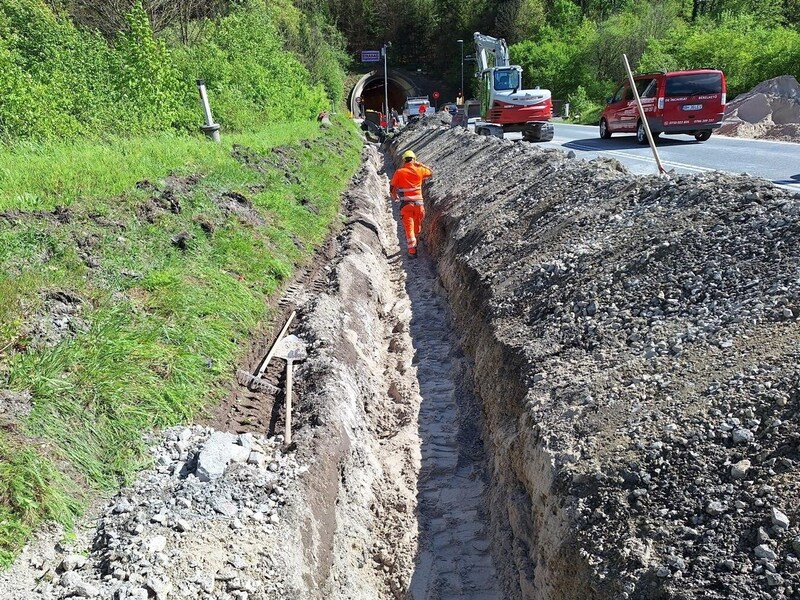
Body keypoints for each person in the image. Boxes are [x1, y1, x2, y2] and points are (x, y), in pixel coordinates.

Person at [390, 149, 432, 257]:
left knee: (409, 229)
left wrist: (395, 196)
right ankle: (416, 242)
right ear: (414, 159)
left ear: (404, 160)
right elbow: (430, 172)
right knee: (417, 227)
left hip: (406, 206)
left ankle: (412, 251)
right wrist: (420, 164)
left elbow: (392, 187)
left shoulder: (399, 172)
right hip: (419, 206)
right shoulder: (420, 170)